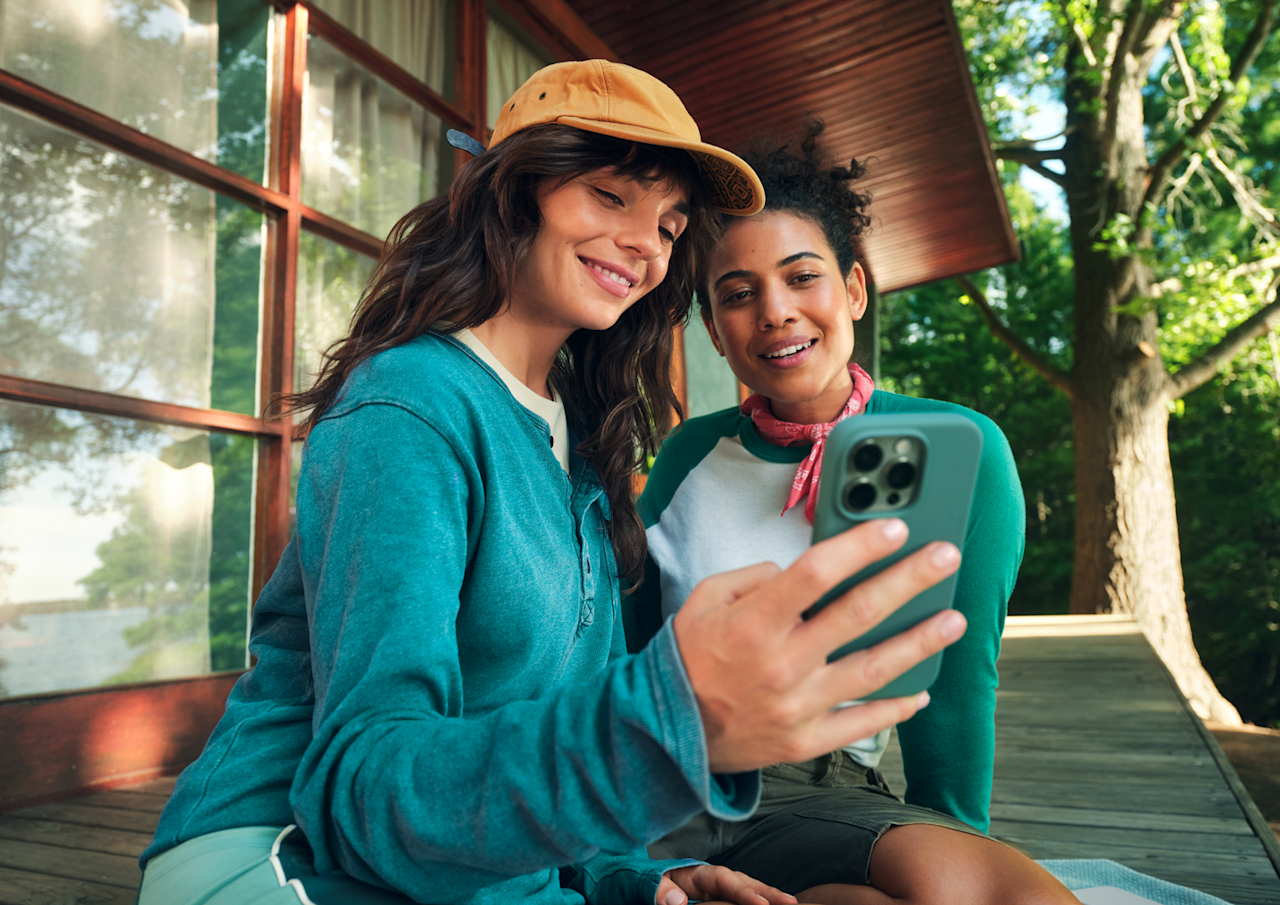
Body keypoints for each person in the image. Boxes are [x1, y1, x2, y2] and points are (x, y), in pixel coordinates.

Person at [135, 64, 967, 905]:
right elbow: (368, 797)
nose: (647, 242)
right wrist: (673, 720)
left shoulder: (585, 438)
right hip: (286, 859)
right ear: (514, 192)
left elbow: (549, 728)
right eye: (611, 196)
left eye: (670, 224)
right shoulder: (411, 405)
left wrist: (640, 877)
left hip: (488, 872)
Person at [628, 123, 1078, 905]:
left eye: (803, 277)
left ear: (855, 290)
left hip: (822, 788)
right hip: (670, 776)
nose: (775, 311)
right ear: (714, 330)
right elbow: (621, 651)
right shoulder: (685, 457)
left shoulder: (957, 447)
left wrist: (955, 849)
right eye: (737, 294)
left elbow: (958, 681)